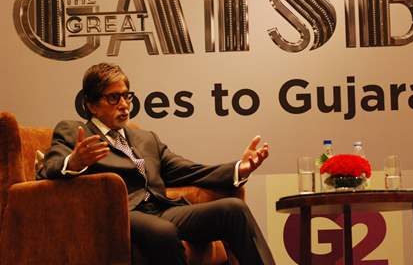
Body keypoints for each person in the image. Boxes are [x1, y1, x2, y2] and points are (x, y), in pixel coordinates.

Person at [38, 62, 276, 265]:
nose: (124, 104)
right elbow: (49, 168)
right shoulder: (75, 131)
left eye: (126, 96)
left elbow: (187, 170)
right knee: (163, 232)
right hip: (122, 215)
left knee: (233, 209)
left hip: (162, 210)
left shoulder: (145, 138)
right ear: (91, 104)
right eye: (113, 97)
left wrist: (238, 168)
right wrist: (76, 161)